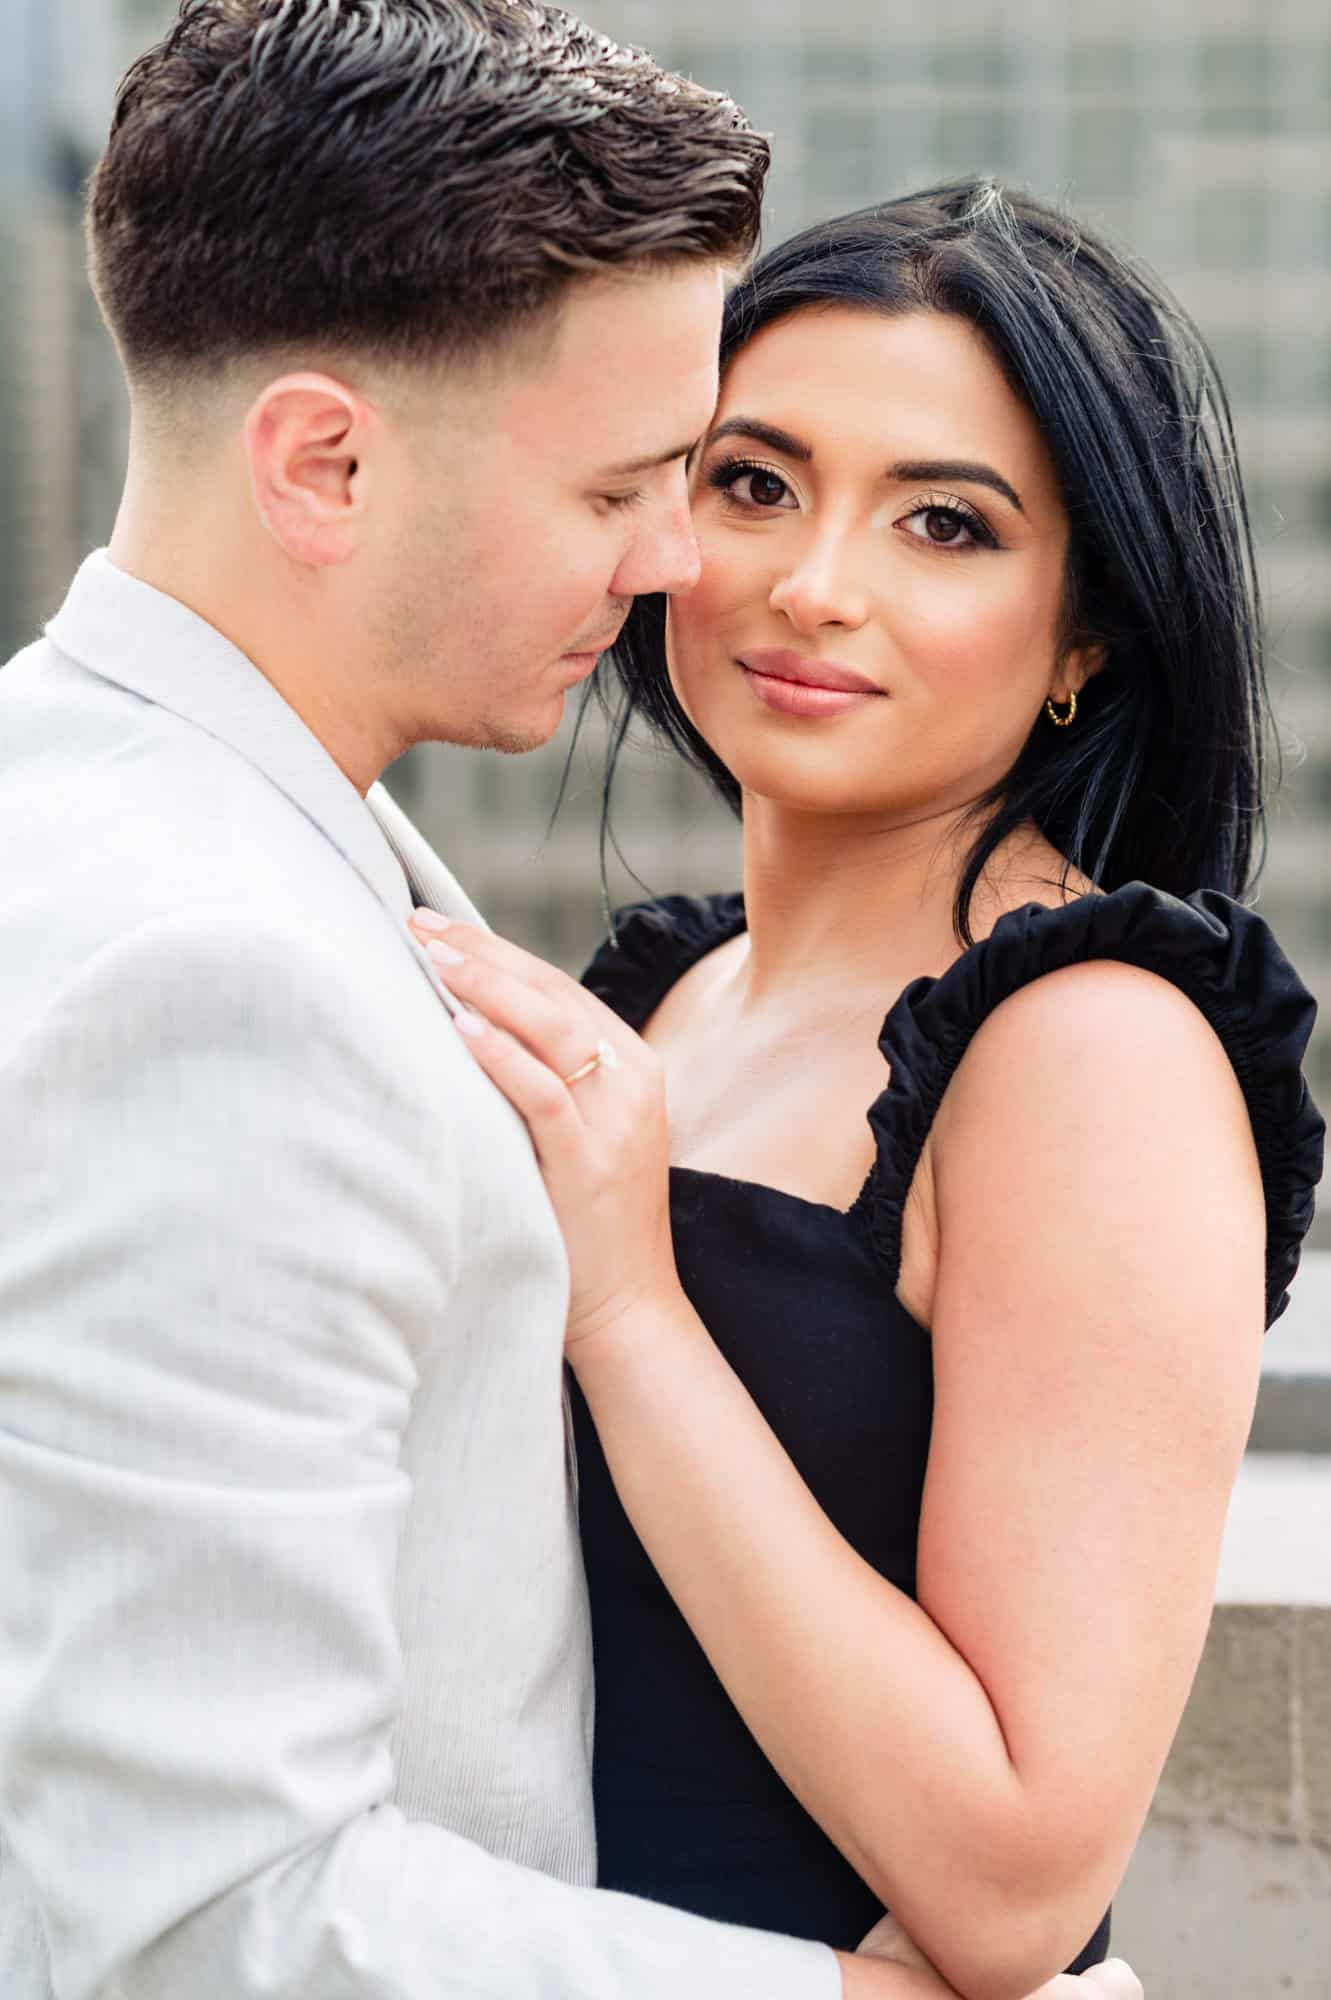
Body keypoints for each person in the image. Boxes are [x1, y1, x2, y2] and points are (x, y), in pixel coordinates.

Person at [0, 4, 1145, 1996]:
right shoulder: (216, 971)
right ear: (324, 461)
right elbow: (192, 1912)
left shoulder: (107, 801)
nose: (683, 560)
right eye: (639, 480)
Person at [411, 183, 1326, 2000]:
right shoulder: (658, 996)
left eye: (945, 524)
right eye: (753, 483)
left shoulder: (1089, 1049)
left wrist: (629, 1306)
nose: (816, 583)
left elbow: (1008, 1885)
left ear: (1087, 640)